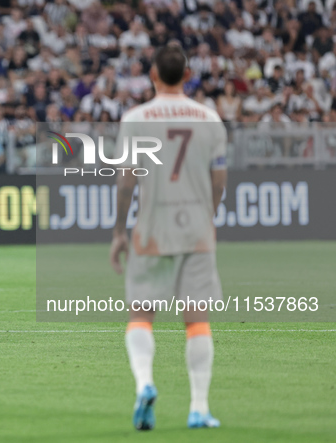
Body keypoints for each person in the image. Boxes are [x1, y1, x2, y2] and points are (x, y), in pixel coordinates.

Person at [110, 45, 227, 431]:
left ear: (154, 76)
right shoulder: (209, 118)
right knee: (197, 320)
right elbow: (219, 178)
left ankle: (145, 384)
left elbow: (126, 180)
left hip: (152, 226)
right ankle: (198, 407)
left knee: (141, 314)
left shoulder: (136, 118)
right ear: (188, 74)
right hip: (195, 224)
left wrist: (118, 231)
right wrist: (206, 217)